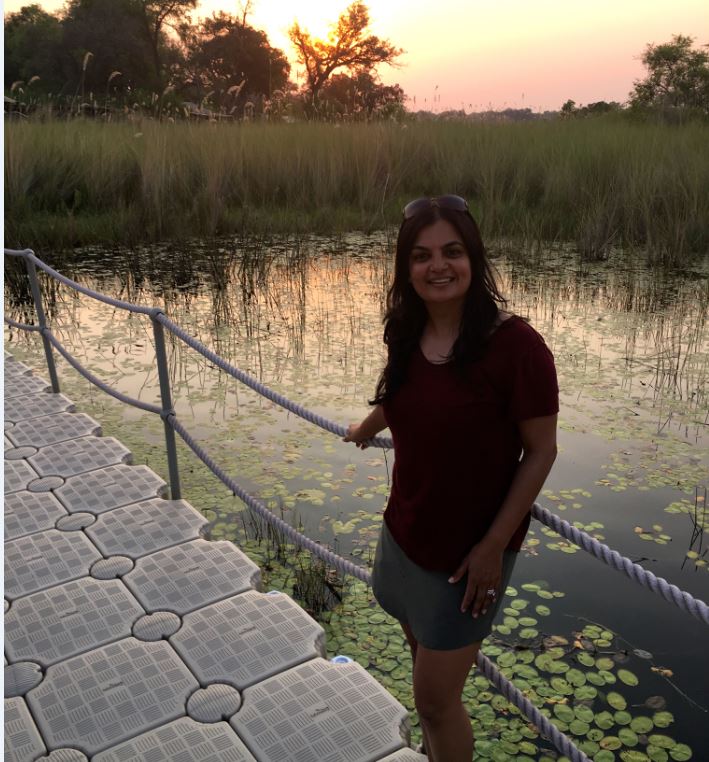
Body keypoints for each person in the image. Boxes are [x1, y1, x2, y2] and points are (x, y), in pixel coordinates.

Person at [343, 195, 558, 762]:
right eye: (421, 256)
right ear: (405, 268)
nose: (437, 266)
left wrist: (492, 547)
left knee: (436, 702)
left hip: (466, 561)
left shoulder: (516, 347)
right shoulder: (406, 330)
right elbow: (400, 394)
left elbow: (540, 453)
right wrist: (365, 427)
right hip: (407, 532)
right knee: (423, 673)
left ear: (474, 259)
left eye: (452, 252)